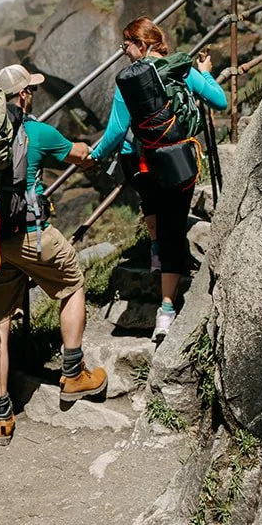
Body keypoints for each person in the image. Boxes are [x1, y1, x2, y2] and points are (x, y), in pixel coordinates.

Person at [0, 63, 108, 439]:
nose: (33, 94)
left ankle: (1, 416)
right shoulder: (36, 132)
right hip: (31, 236)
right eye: (30, 89)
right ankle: (73, 374)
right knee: (73, 284)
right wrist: (90, 153)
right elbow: (77, 154)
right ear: (22, 95)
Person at [89, 18, 228, 342]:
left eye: (125, 45)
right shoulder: (181, 68)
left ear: (140, 44)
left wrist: (95, 157)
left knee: (152, 205)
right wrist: (205, 72)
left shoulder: (130, 81)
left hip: (144, 165)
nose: (124, 51)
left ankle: (156, 256)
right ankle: (166, 310)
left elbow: (116, 131)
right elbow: (220, 101)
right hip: (179, 162)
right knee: (174, 227)